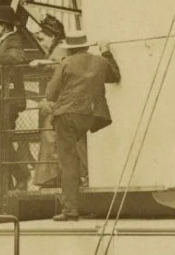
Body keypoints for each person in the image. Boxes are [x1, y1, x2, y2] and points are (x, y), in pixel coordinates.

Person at [40, 32, 120, 221]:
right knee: (77, 152)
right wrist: (106, 51)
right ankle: (83, 176)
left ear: (70, 48)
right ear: (86, 46)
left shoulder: (65, 63)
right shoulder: (100, 62)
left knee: (67, 162)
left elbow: (51, 92)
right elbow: (114, 76)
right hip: (91, 116)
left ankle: (70, 210)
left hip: (67, 116)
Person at [0, 6, 33, 189]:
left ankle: (20, 174)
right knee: (1, 140)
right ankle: (8, 182)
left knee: (1, 140)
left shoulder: (13, 39)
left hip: (7, 101)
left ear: (3, 26)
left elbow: (18, 56)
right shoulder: (5, 41)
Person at [31, 14, 68, 189]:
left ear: (52, 37)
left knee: (51, 138)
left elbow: (63, 66)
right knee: (51, 139)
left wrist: (42, 62)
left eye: (43, 39)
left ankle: (52, 178)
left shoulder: (60, 49)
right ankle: (53, 177)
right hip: (57, 101)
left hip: (58, 102)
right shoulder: (56, 49)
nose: (42, 43)